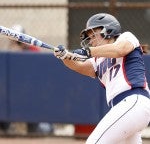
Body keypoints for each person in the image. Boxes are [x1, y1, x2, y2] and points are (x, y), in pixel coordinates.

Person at [53, 13, 150, 143]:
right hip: (126, 109)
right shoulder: (98, 60)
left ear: (108, 30)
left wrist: (87, 51)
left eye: (94, 35)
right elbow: (80, 66)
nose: (91, 40)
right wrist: (64, 57)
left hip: (134, 101)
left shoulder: (126, 37)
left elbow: (119, 50)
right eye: (89, 37)